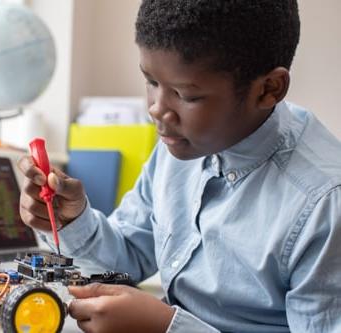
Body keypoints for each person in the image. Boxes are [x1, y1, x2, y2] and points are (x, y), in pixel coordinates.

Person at [17, 0, 341, 332]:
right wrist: (72, 220)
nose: (158, 110)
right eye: (151, 81)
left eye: (186, 95)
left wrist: (165, 327)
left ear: (269, 89)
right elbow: (127, 258)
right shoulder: (181, 144)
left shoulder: (325, 204)